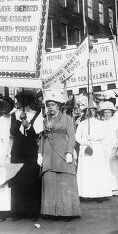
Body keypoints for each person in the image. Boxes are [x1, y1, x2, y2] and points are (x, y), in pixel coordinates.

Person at [38, 91, 81, 221]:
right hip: (48, 153)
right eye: (48, 105)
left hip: (62, 152)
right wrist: (39, 154)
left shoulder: (67, 118)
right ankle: (51, 212)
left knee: (64, 181)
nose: (50, 107)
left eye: (53, 105)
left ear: (58, 106)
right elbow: (42, 138)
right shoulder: (45, 120)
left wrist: (69, 152)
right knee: (50, 181)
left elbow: (72, 137)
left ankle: (67, 212)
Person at [9, 90, 42, 221]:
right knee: (17, 181)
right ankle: (18, 211)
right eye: (22, 102)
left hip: (30, 151)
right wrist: (18, 120)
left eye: (26, 102)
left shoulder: (36, 114)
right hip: (17, 151)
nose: (24, 104)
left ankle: (33, 212)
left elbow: (37, 133)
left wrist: (27, 125)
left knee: (31, 181)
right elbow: (11, 132)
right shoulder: (14, 115)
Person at [76, 101, 113, 201]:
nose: (91, 112)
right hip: (85, 149)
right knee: (87, 171)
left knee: (97, 171)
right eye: (89, 110)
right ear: (85, 111)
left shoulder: (99, 123)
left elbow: (103, 135)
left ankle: (99, 194)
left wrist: (93, 137)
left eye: (93, 110)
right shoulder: (82, 124)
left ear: (95, 111)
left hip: (96, 149)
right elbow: (77, 137)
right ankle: (86, 194)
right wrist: (84, 142)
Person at [99, 101, 118, 195]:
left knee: (117, 166)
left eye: (108, 112)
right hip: (104, 147)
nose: (107, 114)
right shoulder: (101, 123)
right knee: (106, 166)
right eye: (105, 112)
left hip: (114, 147)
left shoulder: (116, 123)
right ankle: (108, 187)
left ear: (112, 113)